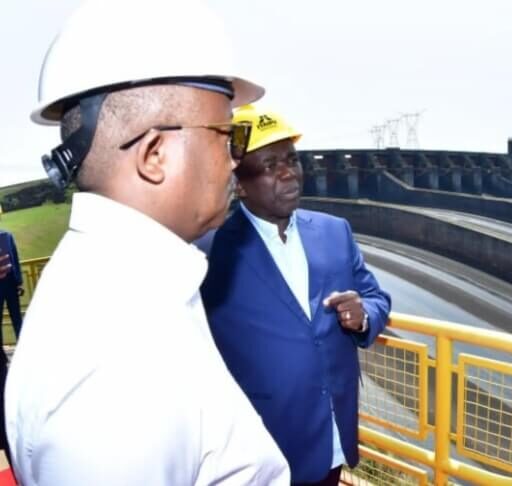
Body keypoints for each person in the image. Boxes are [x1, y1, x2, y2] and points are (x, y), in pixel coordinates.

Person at [4, 1, 290, 484]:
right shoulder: (116, 375)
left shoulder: (122, 286)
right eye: (228, 137)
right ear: (155, 154)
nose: (234, 163)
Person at [201, 104, 391, 485]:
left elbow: (376, 295)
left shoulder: (336, 232)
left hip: (331, 438)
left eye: (291, 160)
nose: (288, 172)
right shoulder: (209, 250)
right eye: (270, 166)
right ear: (239, 182)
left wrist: (364, 313)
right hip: (261, 452)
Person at [0, 231, 23, 339]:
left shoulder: (7, 235)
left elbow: (15, 259)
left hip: (11, 283)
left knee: (17, 318)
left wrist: (19, 282)